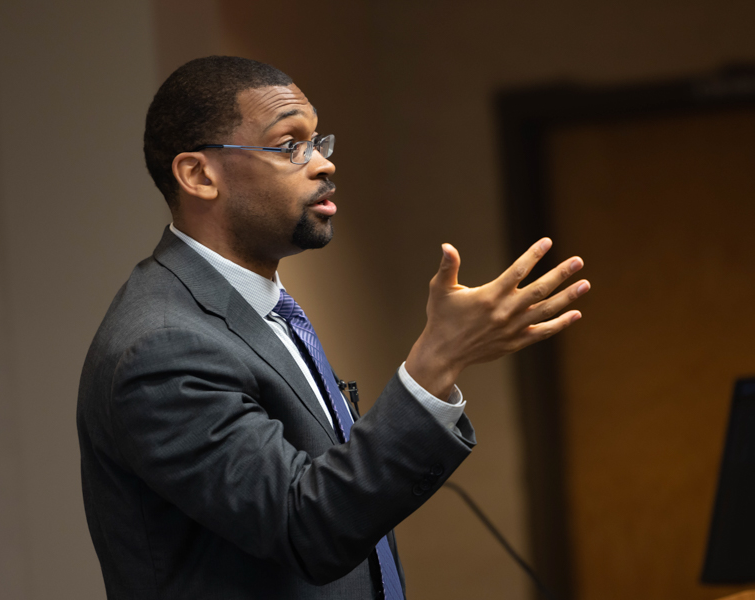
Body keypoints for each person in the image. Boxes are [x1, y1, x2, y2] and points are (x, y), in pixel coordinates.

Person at [77, 56, 590, 600]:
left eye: (319, 142)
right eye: (289, 145)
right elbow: (306, 526)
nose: (323, 165)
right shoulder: (161, 345)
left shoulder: (260, 309)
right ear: (200, 175)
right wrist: (436, 361)